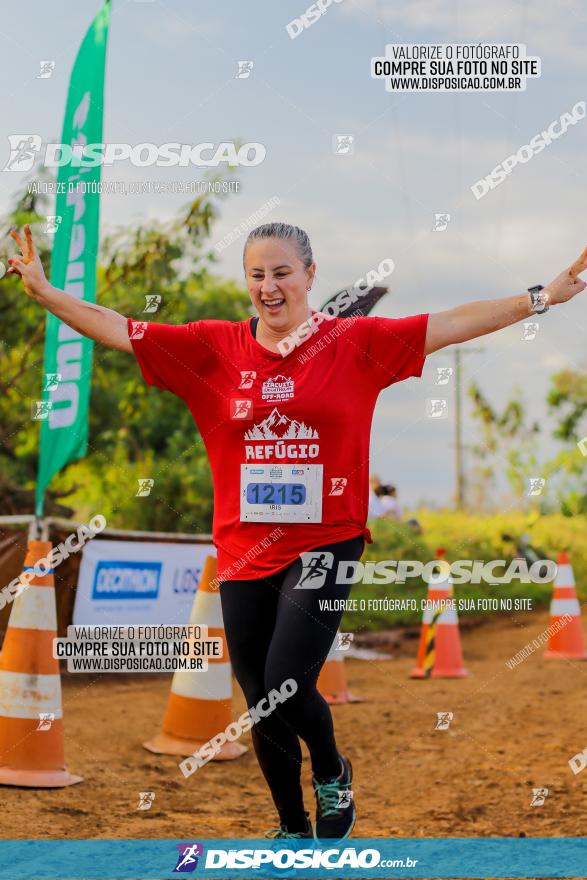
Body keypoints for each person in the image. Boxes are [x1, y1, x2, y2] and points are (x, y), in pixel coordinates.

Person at [8, 221, 587, 840]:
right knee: (261, 699)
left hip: (326, 540)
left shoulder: (355, 342)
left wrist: (542, 296)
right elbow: (119, 327)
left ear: (311, 275)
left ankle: (333, 769)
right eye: (257, 274)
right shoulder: (213, 348)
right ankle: (291, 826)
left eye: (282, 272)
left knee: (286, 681)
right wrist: (44, 292)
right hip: (242, 548)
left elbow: (450, 323)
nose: (269, 287)